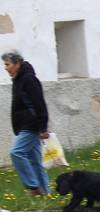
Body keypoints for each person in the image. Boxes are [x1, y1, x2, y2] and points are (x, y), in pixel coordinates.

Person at [3, 50, 50, 195]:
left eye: (7, 64)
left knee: (16, 153)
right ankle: (46, 194)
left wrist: (43, 127)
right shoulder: (18, 80)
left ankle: (33, 186)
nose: (5, 68)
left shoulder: (29, 79)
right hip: (25, 125)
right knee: (35, 162)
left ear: (17, 64)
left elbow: (39, 103)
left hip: (31, 125)